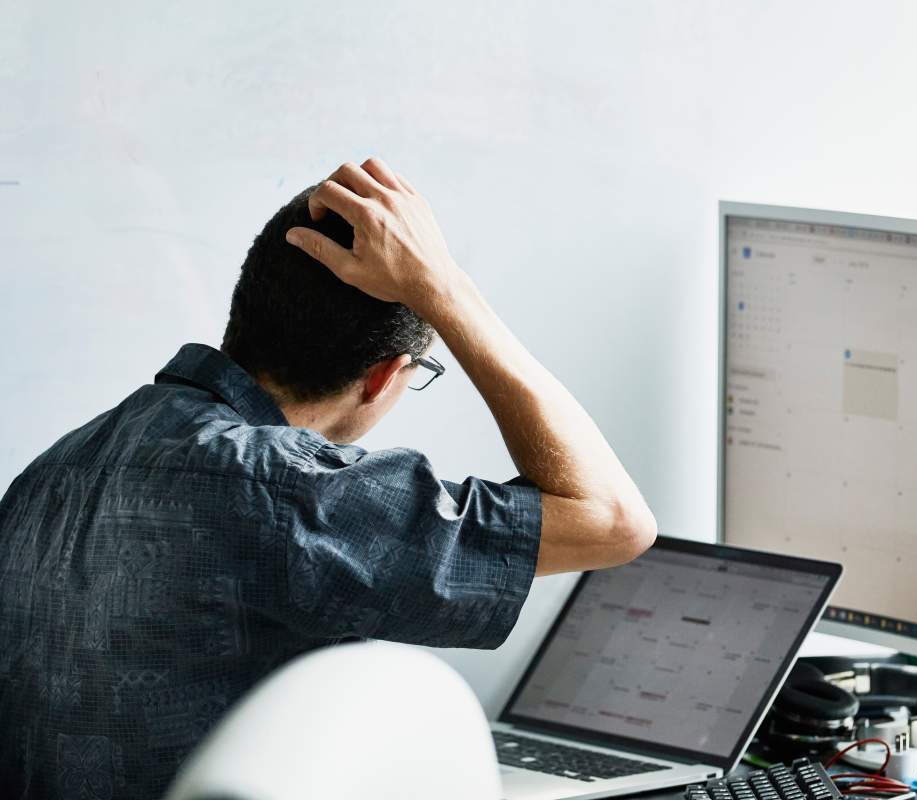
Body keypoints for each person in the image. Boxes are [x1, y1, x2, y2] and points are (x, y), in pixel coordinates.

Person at [0, 158, 657, 800]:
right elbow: (614, 521)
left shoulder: (59, 467)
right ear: (382, 376)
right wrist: (446, 293)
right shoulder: (282, 492)